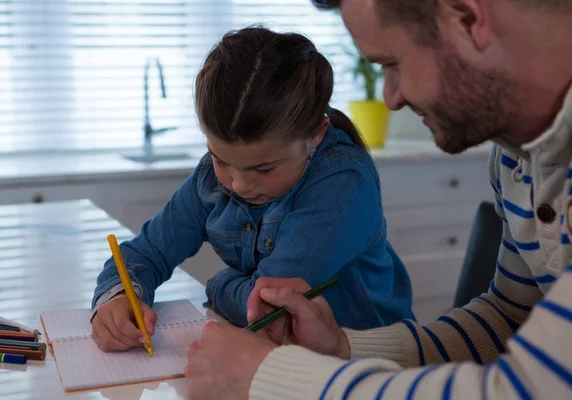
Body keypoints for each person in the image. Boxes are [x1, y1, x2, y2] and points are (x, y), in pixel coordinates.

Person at [184, 0, 572, 399]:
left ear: (467, 18)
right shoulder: (515, 160)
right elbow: (510, 320)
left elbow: (526, 388)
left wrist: (271, 377)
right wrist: (344, 348)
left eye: (391, 64)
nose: (390, 98)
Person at [90, 26, 415, 352]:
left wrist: (218, 285)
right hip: (283, 356)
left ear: (316, 133)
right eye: (221, 159)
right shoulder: (211, 175)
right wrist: (117, 296)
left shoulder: (343, 185)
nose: (239, 184)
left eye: (264, 169)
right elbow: (146, 252)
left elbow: (267, 305)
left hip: (369, 365)